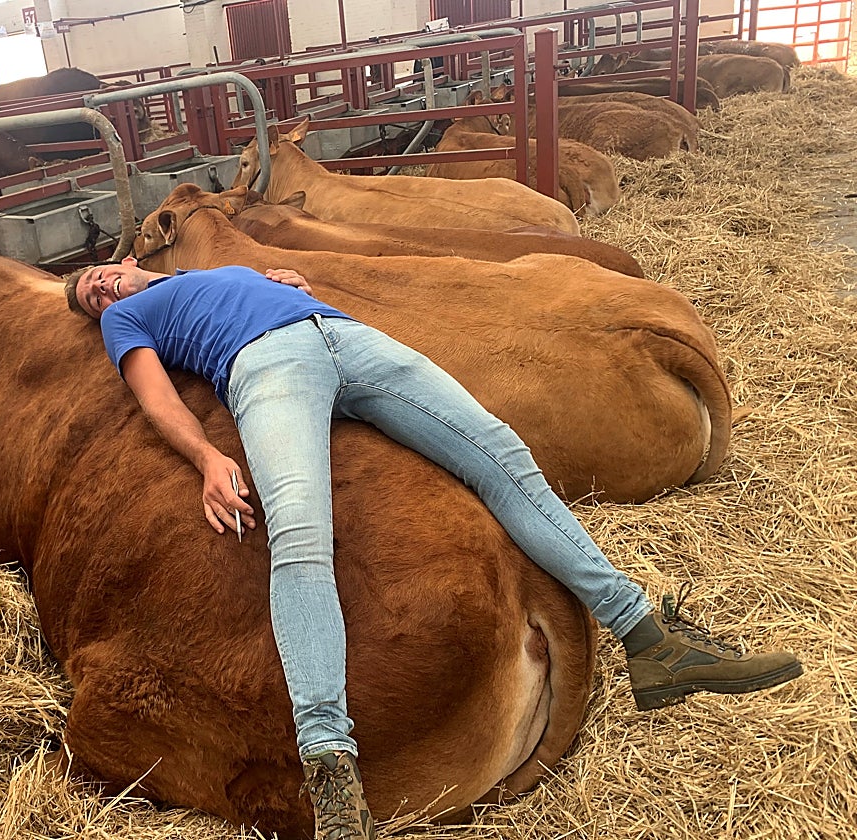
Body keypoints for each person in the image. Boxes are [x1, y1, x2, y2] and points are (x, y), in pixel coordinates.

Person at [66, 258, 802, 840]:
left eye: (98, 276)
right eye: (87, 294)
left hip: (344, 333)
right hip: (265, 367)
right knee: (298, 534)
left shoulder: (209, 273)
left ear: (129, 260)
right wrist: (203, 458)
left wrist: (279, 282)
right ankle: (332, 771)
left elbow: (272, 284)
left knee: (503, 456)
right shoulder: (130, 317)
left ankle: (650, 639)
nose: (97, 288)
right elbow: (154, 395)